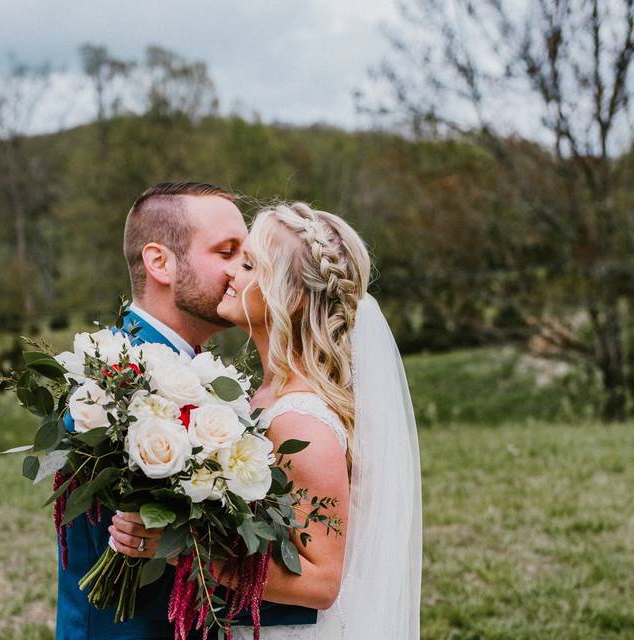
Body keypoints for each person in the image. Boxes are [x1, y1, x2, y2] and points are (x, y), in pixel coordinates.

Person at [110, 201, 423, 639]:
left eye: (251, 264)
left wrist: (187, 551)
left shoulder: (302, 423)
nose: (233, 273)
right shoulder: (262, 397)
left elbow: (321, 582)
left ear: (289, 297)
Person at [58, 183, 322, 639]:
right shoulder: (107, 392)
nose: (243, 266)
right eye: (227, 251)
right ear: (159, 262)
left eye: (249, 253)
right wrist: (315, 593)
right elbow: (151, 576)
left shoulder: (204, 378)